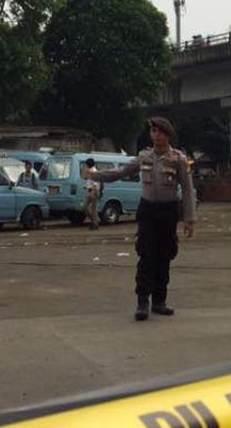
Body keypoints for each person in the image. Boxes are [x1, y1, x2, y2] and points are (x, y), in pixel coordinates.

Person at [87, 117, 196, 320]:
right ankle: (142, 301)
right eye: (153, 131)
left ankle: (160, 301)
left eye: (160, 132)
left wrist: (190, 219)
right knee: (146, 255)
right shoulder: (144, 156)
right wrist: (96, 175)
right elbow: (120, 172)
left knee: (164, 256)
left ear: (168, 135)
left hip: (168, 211)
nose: (156, 135)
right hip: (148, 211)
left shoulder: (178, 159)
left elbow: (188, 189)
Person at [82, 157, 102, 229]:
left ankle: (95, 224)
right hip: (89, 191)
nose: (85, 166)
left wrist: (93, 192)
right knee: (84, 207)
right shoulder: (90, 171)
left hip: (94, 192)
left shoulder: (94, 172)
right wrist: (86, 186)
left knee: (93, 209)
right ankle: (94, 221)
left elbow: (95, 184)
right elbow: (85, 178)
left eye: (86, 165)